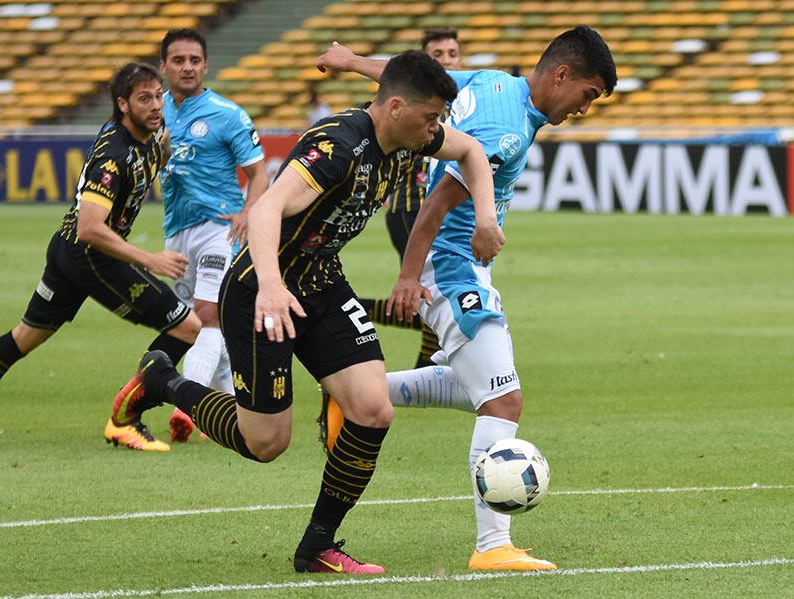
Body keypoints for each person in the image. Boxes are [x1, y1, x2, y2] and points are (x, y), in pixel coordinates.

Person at [109, 51, 500, 574]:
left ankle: (318, 545)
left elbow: (472, 150)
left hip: (321, 283)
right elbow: (268, 207)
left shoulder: (415, 135)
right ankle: (163, 380)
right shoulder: (337, 145)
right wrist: (270, 286)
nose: (437, 129)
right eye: (431, 117)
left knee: (372, 408)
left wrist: (486, 216)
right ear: (397, 106)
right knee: (266, 442)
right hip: (260, 289)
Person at [316, 25, 617, 570]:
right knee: (504, 402)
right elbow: (435, 204)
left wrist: (354, 60)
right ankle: (492, 546)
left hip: (462, 267)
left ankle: (354, 394)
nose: (583, 108)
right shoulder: (506, 132)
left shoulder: (495, 83)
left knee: (474, 387)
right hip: (453, 270)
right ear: (562, 74)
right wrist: (410, 276)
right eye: (588, 95)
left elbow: (420, 77)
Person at [0, 62, 202, 452]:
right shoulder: (113, 155)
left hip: (67, 251)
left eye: (158, 96)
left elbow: (163, 150)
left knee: (24, 337)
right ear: (122, 104)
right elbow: (90, 226)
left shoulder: (152, 137)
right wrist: (149, 260)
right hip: (93, 254)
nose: (156, 106)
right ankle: (125, 419)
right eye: (144, 99)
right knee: (186, 326)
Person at [155, 29, 269, 444]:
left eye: (194, 60)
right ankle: (228, 413)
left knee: (207, 315)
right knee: (193, 322)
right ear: (164, 66)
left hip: (221, 229)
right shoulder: (155, 111)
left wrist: (248, 214)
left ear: (206, 65)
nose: (187, 67)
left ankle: (189, 405)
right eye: (178, 60)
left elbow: (259, 174)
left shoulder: (227, 113)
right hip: (177, 231)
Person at [354, 28, 463, 372]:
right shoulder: (413, 99)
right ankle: (351, 311)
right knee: (430, 295)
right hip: (409, 206)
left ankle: (423, 369)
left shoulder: (462, 98)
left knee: (432, 299)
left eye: (451, 53)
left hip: (441, 209)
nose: (446, 60)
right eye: (437, 54)